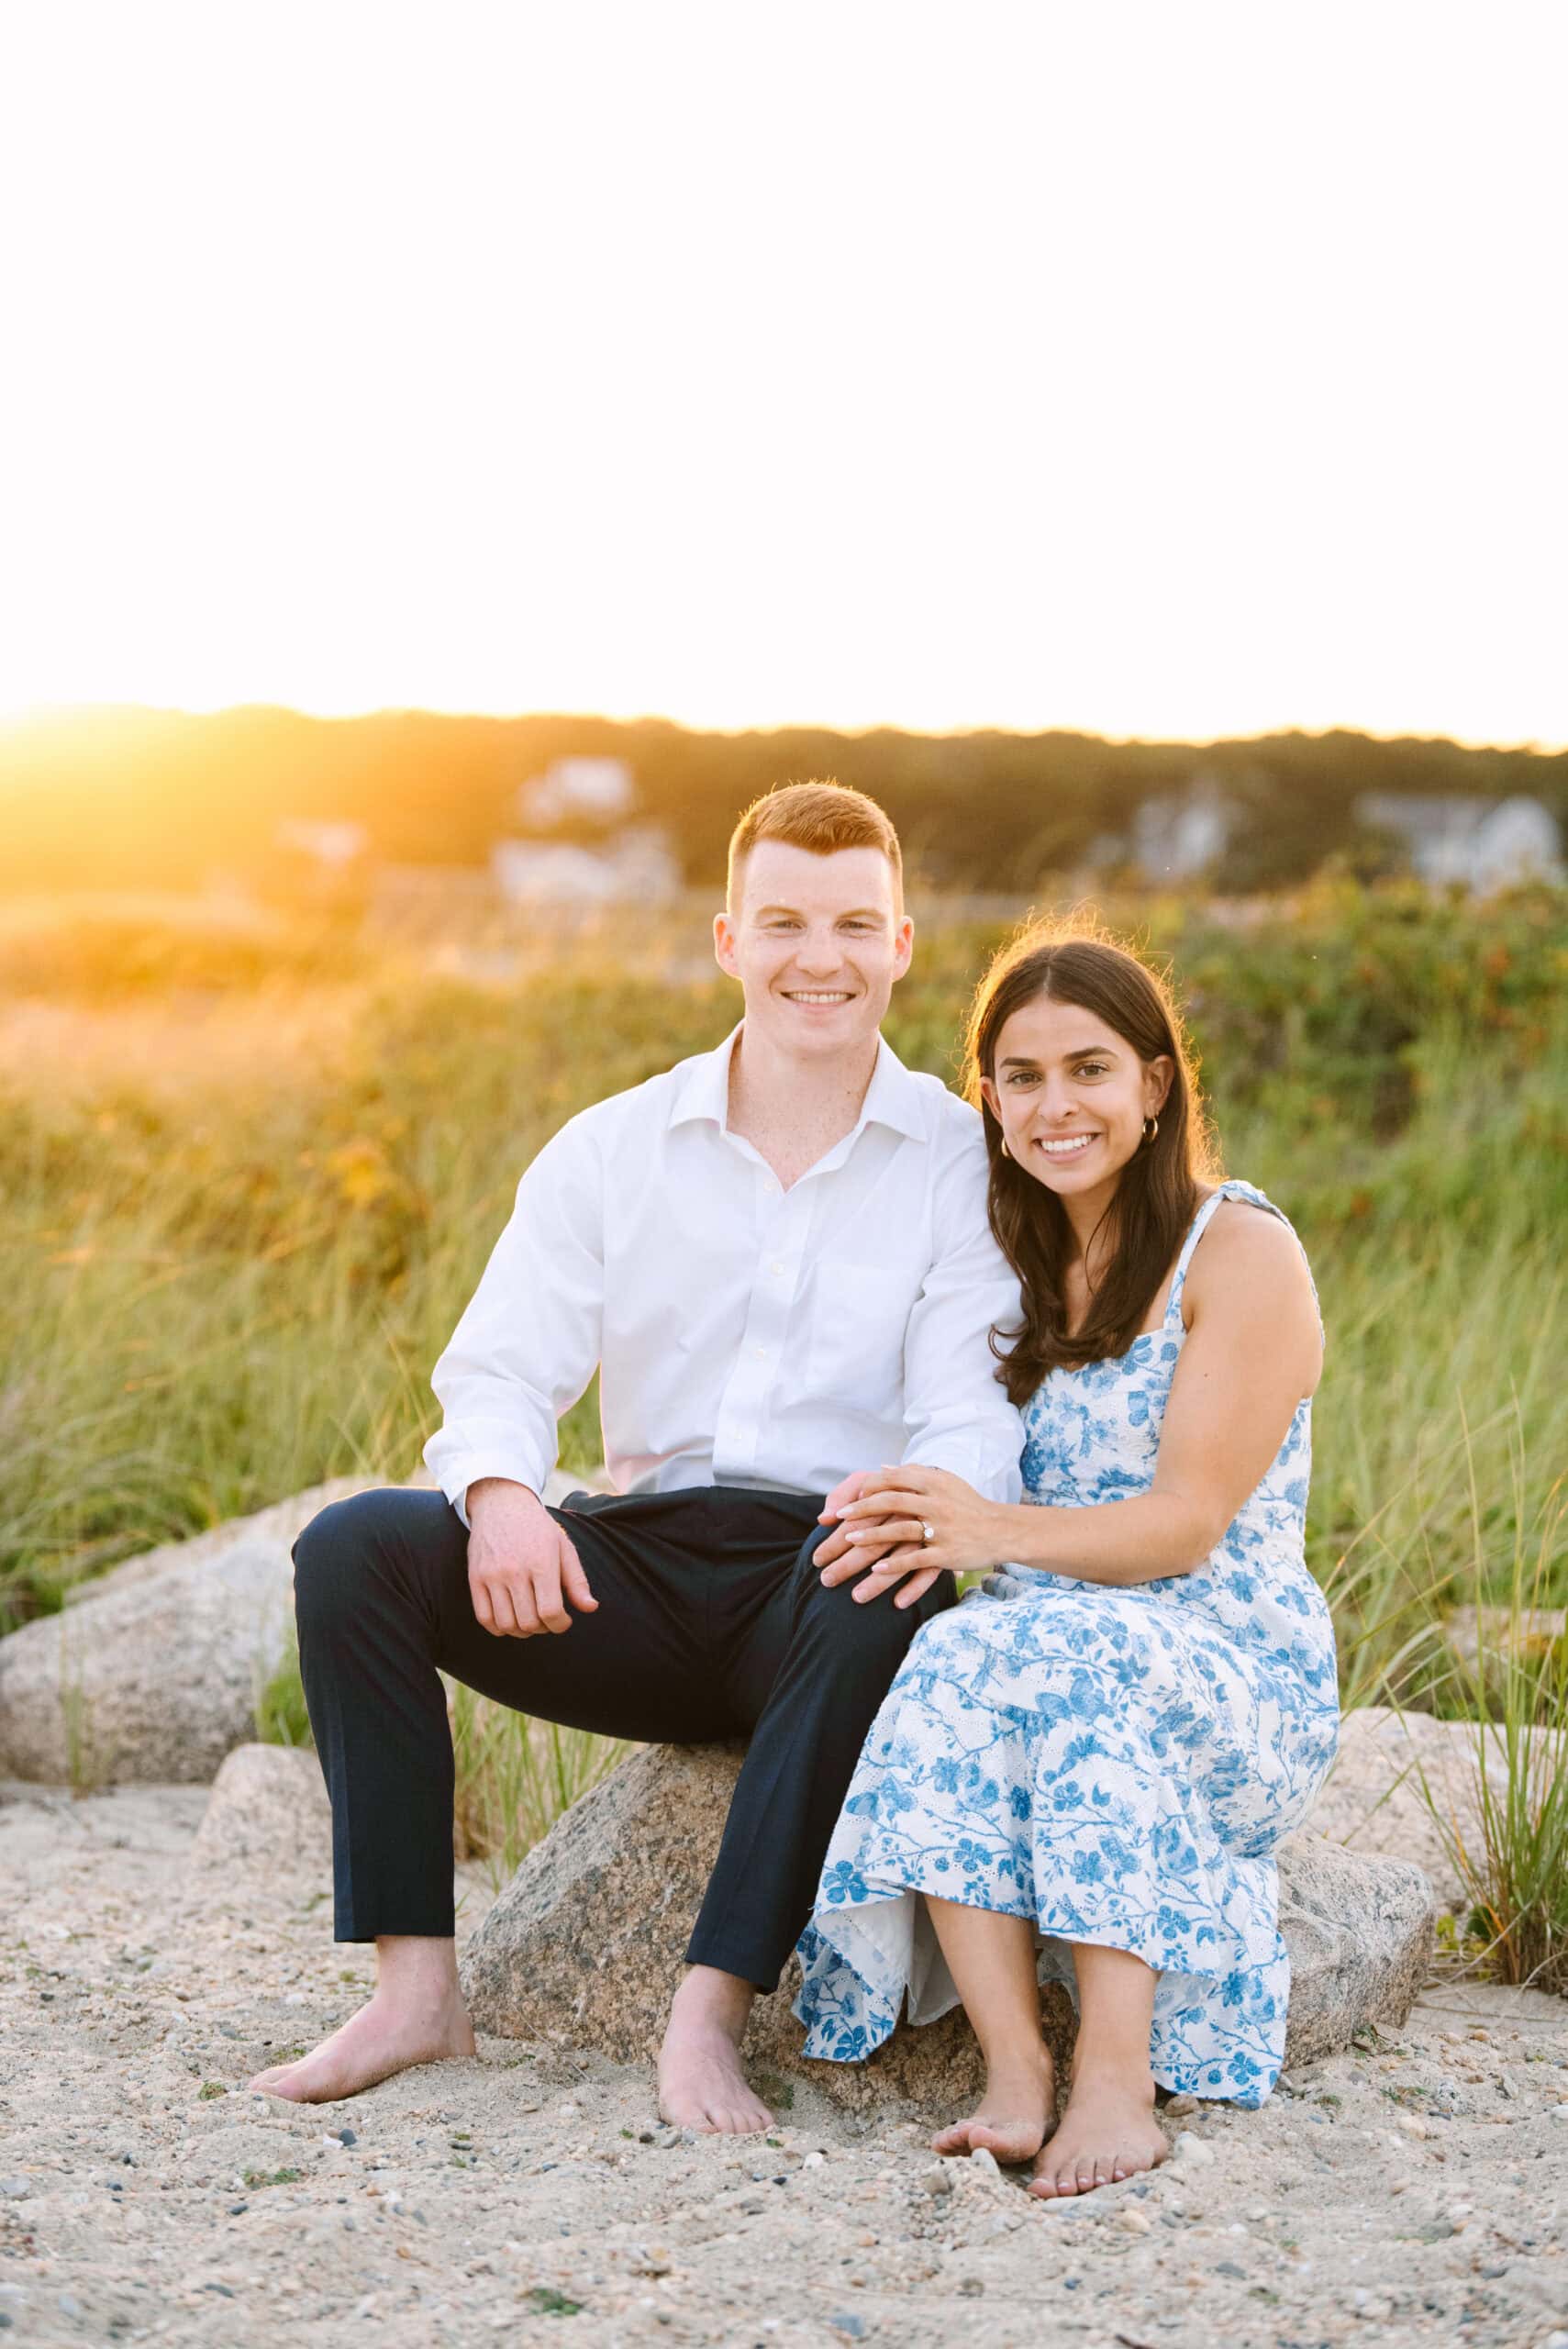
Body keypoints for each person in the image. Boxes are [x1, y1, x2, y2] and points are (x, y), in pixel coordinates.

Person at [250, 780, 1023, 2134]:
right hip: (637, 1573)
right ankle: (414, 1992)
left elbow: (970, 1409)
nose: (817, 959)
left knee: (885, 1573)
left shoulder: (963, 1164)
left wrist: (917, 1508)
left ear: (902, 943)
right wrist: (499, 1500)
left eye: (852, 925)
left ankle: (705, 2023)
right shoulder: (612, 1148)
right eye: (781, 922)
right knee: (354, 1547)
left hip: (824, 1578)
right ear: (727, 941)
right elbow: (499, 1370)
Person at [794, 926, 1340, 2199]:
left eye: (1088, 1069)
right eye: (1021, 1077)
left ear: (1154, 1087)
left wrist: (985, 1533)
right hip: (1037, 1649)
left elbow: (1185, 1522)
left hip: (1227, 1672)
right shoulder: (1012, 1262)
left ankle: (1114, 2078)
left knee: (1050, 1643)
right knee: (951, 1649)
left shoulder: (1239, 1252)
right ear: (988, 1101)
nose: (1055, 1107)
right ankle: (1015, 2073)